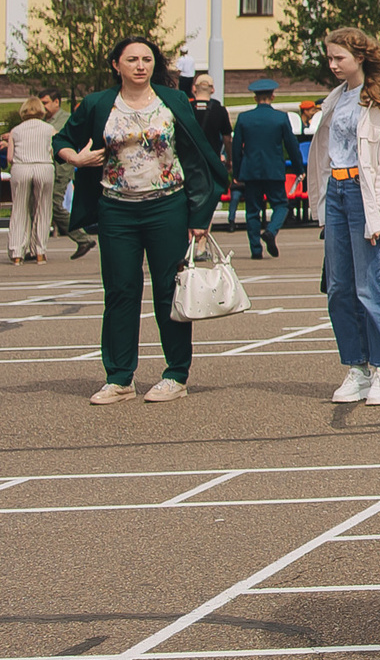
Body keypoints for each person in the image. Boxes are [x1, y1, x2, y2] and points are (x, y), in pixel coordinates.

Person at [57, 37, 228, 404]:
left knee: (170, 291)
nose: (140, 65)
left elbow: (197, 157)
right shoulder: (98, 103)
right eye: (131, 59)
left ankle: (176, 374)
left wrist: (199, 216)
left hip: (167, 206)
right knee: (120, 291)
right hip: (116, 208)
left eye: (147, 59)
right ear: (116, 65)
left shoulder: (175, 101)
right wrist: (77, 159)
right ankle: (119, 378)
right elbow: (62, 140)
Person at [310, 29, 380, 406]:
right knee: (339, 287)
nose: (333, 64)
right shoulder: (336, 99)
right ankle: (357, 367)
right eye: (330, 58)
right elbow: (324, 153)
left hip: (363, 194)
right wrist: (320, 203)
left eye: (339, 58)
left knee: (371, 287)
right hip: (336, 192)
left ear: (361, 57)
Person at [230, 80, 295, 259]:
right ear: (272, 96)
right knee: (281, 205)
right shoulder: (281, 118)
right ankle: (271, 231)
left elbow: (236, 149)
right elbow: (291, 145)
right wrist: (297, 168)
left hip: (250, 171)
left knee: (252, 210)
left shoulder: (244, 118)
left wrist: (236, 173)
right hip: (273, 169)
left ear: (255, 97)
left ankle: (255, 250)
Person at [9, 93, 60, 264]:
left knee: (19, 210)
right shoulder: (49, 129)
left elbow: (10, 157)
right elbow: (54, 150)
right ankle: (40, 251)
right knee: (43, 209)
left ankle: (17, 252)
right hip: (43, 166)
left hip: (21, 167)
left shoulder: (15, 131)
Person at [187, 74, 236, 226]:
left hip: (189, 161)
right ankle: (203, 230)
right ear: (213, 89)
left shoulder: (187, 108)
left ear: (194, 89)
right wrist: (229, 159)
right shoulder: (219, 110)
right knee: (208, 199)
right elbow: (227, 138)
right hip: (211, 161)